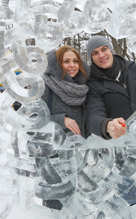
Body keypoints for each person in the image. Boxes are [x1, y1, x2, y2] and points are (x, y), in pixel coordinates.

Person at [41, 46, 90, 210]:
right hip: (54, 160)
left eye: (76, 61)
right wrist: (62, 120)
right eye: (66, 61)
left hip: (79, 158)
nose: (72, 65)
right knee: (57, 208)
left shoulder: (82, 89)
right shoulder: (45, 86)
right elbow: (32, 120)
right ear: (57, 65)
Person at [85, 36, 136, 140]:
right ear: (92, 58)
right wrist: (107, 126)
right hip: (120, 144)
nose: (101, 55)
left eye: (104, 49)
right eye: (95, 53)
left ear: (110, 50)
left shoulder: (135, 68)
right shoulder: (92, 83)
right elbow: (92, 116)